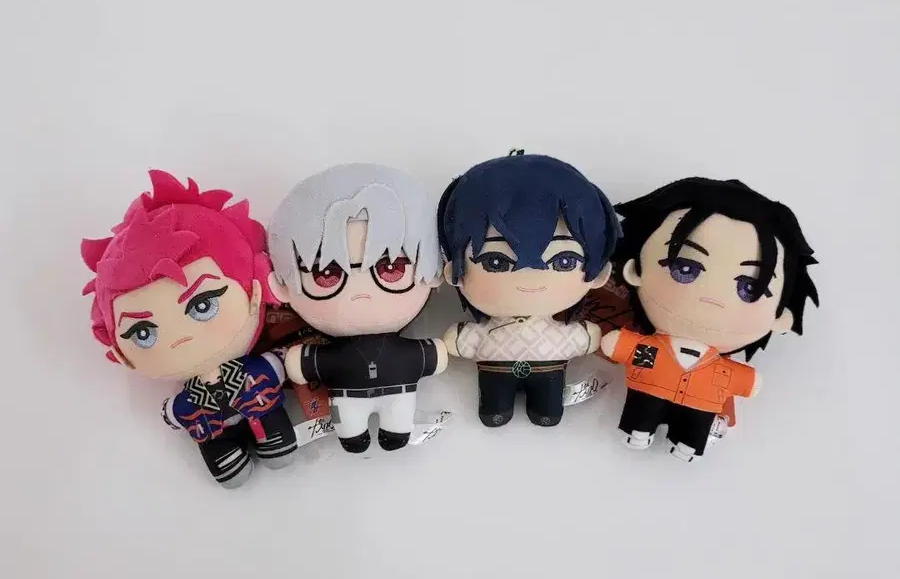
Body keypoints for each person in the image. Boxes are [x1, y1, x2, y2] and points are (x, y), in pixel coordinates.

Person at [81, 170, 297, 488]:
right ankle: (227, 458)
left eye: (203, 305)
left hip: (260, 409)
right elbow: (175, 412)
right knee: (224, 461)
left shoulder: (251, 371)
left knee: (277, 441)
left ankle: (274, 441)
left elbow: (280, 366)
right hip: (212, 431)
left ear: (254, 293)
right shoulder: (193, 395)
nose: (179, 338)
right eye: (143, 333)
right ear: (121, 354)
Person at [601, 177, 819, 461]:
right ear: (634, 271)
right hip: (650, 392)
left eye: (749, 288)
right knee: (643, 410)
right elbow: (628, 348)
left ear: (780, 319)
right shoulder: (653, 348)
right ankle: (640, 431)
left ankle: (688, 444)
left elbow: (748, 383)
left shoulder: (711, 366)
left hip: (699, 404)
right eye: (685, 268)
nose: (714, 296)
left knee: (694, 425)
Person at [267, 163, 448, 454]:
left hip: (391, 397)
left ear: (434, 270)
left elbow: (431, 356)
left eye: (391, 268)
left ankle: (393, 432)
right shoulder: (338, 355)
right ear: (281, 286)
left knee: (393, 422)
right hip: (347, 399)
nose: (362, 292)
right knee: (349, 427)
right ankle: (355, 436)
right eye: (326, 274)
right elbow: (432, 356)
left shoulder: (390, 352)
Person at [439, 151, 620, 427]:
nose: (532, 278)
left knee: (548, 410)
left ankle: (544, 410)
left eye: (563, 261)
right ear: (454, 272)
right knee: (494, 409)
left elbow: (585, 338)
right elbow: (459, 342)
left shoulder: (558, 332)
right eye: (496, 261)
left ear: (598, 274)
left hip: (549, 373)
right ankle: (498, 409)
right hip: (496, 374)